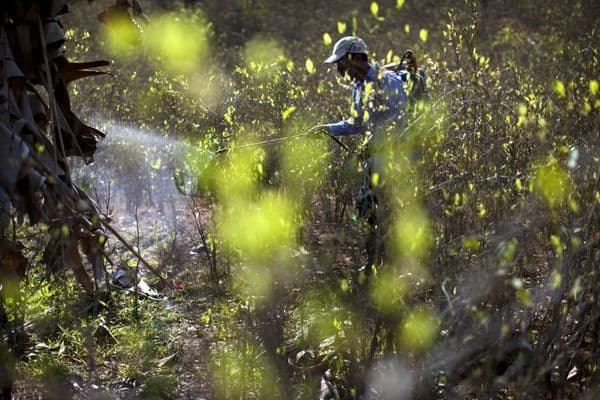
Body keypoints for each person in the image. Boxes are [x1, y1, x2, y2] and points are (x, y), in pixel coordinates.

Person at [309, 36, 407, 275]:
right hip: (374, 161)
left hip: (396, 158)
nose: (339, 69)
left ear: (355, 58)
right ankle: (376, 263)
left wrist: (375, 143)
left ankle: (391, 266)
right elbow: (357, 123)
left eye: (341, 63)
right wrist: (328, 129)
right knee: (366, 209)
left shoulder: (388, 82)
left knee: (386, 211)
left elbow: (399, 122)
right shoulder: (359, 88)